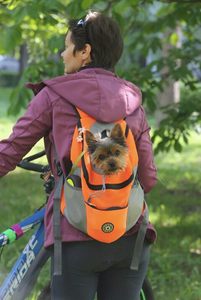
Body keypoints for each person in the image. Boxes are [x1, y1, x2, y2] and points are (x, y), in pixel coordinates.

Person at [0, 10, 158, 300]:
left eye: (66, 46)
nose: (62, 54)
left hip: (75, 234)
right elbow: (148, 177)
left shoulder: (52, 96)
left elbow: (7, 154)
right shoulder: (132, 99)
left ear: (84, 52)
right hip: (131, 235)